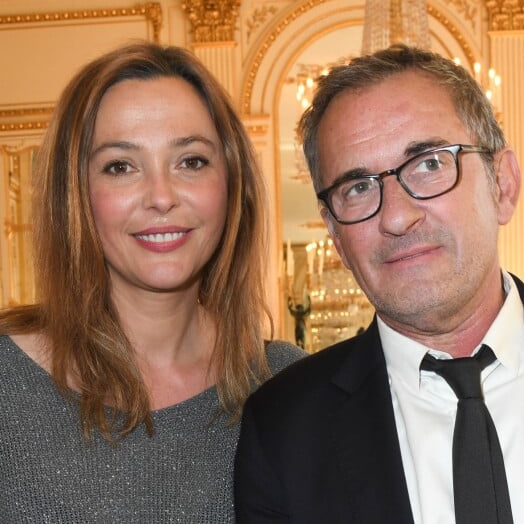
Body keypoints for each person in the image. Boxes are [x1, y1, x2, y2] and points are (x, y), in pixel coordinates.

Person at [234, 44, 524, 524]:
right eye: (357, 188)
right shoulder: (283, 429)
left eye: (431, 164)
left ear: (503, 184)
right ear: (335, 235)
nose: (396, 216)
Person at [0, 41, 305, 522]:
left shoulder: (288, 387)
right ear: (74, 193)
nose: (161, 196)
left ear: (231, 185)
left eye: (191, 161)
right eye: (121, 167)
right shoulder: (8, 384)